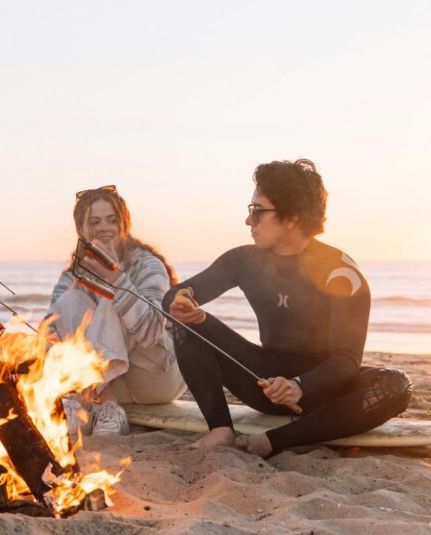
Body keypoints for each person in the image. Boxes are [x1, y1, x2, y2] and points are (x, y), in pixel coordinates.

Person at [164, 159, 412, 456]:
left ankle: (273, 441)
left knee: (396, 385)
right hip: (261, 380)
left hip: (322, 390)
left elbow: (346, 360)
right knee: (186, 324)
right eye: (250, 211)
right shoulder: (243, 260)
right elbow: (176, 294)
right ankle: (220, 430)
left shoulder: (341, 274)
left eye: (257, 212)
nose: (248, 221)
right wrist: (182, 303)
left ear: (292, 217)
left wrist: (300, 385)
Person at [49, 185, 187, 436]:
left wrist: (117, 279)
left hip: (156, 376)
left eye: (112, 220)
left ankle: (84, 401)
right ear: (81, 229)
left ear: (124, 225)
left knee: (112, 298)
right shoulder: (72, 275)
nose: (104, 227)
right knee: (69, 302)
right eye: (95, 221)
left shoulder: (148, 265)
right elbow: (51, 333)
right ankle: (108, 404)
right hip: (113, 382)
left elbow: (150, 331)